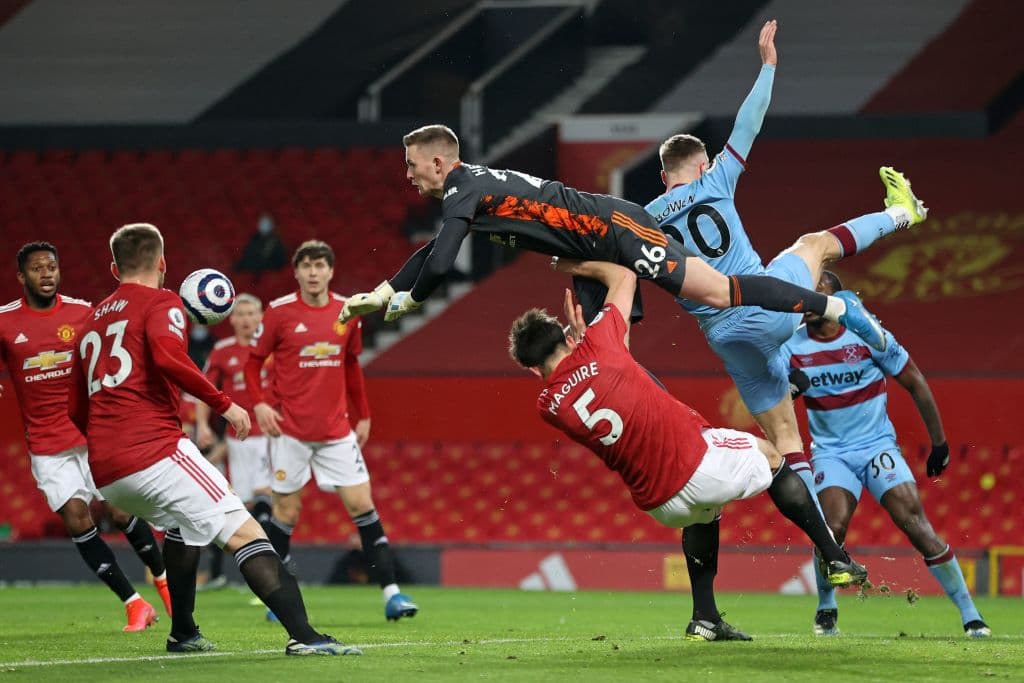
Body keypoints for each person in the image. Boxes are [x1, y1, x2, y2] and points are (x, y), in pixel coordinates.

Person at [508, 257, 867, 641]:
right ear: (566, 336)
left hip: (659, 503)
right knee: (773, 457)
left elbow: (603, 375)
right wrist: (571, 264)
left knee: (703, 515)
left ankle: (705, 618)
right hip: (695, 465)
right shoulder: (599, 344)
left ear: (532, 370)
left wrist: (583, 345)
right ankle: (834, 557)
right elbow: (624, 274)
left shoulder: (548, 406)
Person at [644, 20, 928, 502]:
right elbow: (748, 123)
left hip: (725, 340)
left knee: (786, 442)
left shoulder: (644, 221)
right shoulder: (716, 180)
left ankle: (829, 551)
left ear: (662, 173)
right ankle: (903, 214)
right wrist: (768, 66)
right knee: (814, 244)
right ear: (700, 165)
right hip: (764, 304)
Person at [338, 124, 886, 354]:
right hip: (595, 248)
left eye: (413, 167)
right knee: (607, 348)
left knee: (720, 292)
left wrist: (409, 300)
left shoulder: (464, 189)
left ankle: (835, 306)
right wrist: (387, 290)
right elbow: (428, 254)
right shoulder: (470, 190)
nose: (409, 177)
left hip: (614, 233)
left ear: (439, 161)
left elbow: (439, 266)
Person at [67, 223, 359, 656]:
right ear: (163, 263)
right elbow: (169, 357)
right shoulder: (163, 301)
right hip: (154, 452)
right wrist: (226, 404)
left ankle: (182, 633)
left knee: (186, 532)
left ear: (114, 267)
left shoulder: (91, 318)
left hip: (106, 471)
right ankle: (306, 636)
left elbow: (75, 407)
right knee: (246, 532)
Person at [783, 271, 990, 638]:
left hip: (877, 445)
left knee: (915, 524)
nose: (812, 301)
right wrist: (788, 391)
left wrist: (939, 443)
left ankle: (971, 615)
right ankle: (826, 606)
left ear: (838, 300)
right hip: (832, 453)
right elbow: (774, 394)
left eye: (820, 293)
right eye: (806, 294)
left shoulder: (868, 335)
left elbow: (915, 381)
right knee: (833, 528)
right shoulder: (792, 346)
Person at [243, 239, 418, 622]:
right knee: (285, 513)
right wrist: (258, 404)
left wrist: (365, 415)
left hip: (337, 433)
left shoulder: (348, 310)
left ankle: (393, 595)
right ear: (296, 272)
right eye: (306, 265)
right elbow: (253, 363)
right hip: (290, 432)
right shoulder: (279, 313)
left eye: (320, 265)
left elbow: (352, 366)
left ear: (330, 271)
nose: (313, 272)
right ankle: (279, 597)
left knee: (363, 507)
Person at [0, 241, 170, 632]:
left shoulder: (82, 312)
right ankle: (133, 604)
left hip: (92, 432)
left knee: (121, 510)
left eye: (52, 267)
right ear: (21, 277)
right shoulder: (6, 320)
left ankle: (163, 584)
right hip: (47, 443)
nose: (47, 274)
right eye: (38, 268)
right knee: (77, 519)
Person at [196, 294, 275, 563]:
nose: (245, 319)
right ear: (231, 319)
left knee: (265, 494)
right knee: (246, 505)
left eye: (251, 313)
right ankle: (258, 564)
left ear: (261, 316)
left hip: (269, 435)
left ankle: (275, 561)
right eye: (240, 314)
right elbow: (204, 390)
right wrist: (203, 425)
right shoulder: (222, 351)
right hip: (236, 438)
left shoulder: (273, 348)